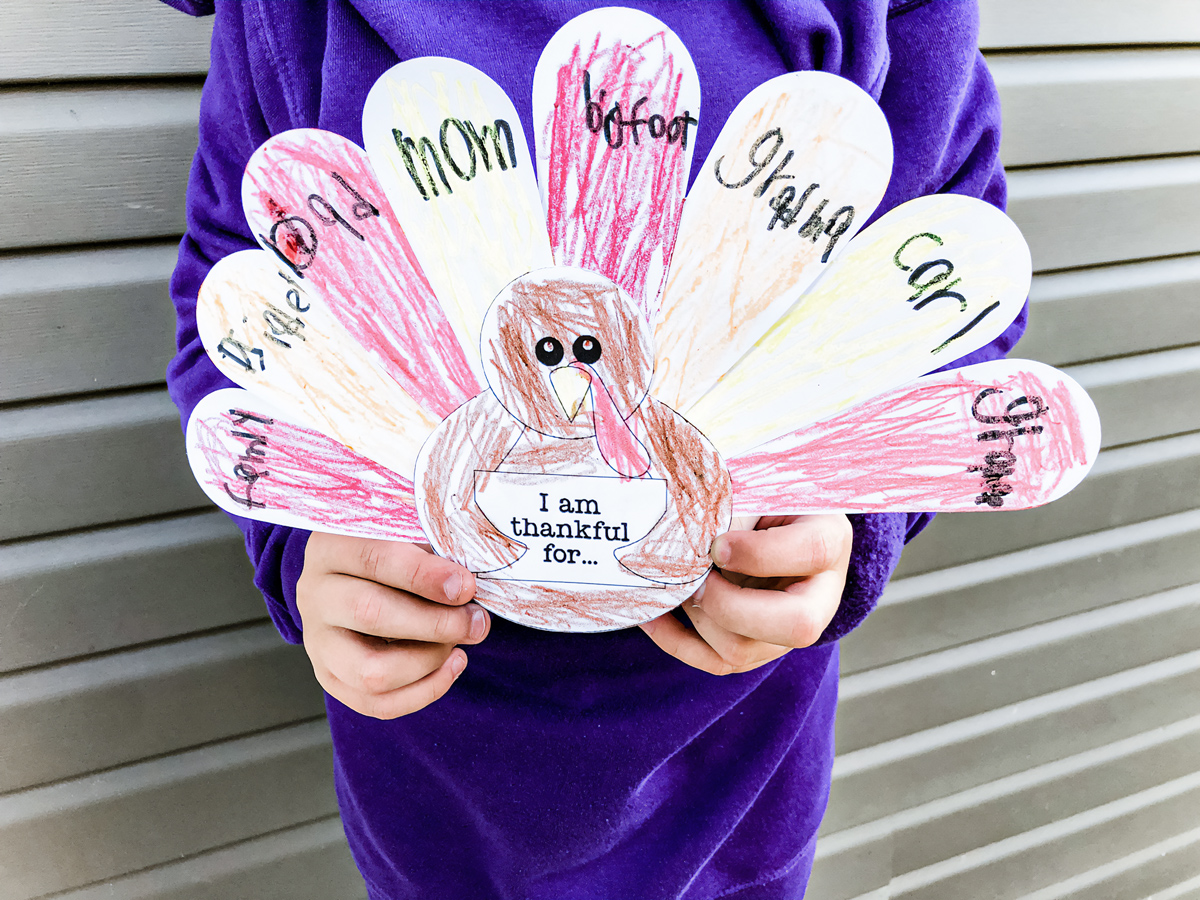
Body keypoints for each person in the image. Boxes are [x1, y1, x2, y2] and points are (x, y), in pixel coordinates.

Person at [163, 2, 1025, 897]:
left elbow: (948, 288)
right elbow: (238, 303)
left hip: (731, 765)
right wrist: (308, 539)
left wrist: (853, 514)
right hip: (433, 763)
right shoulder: (291, 17)